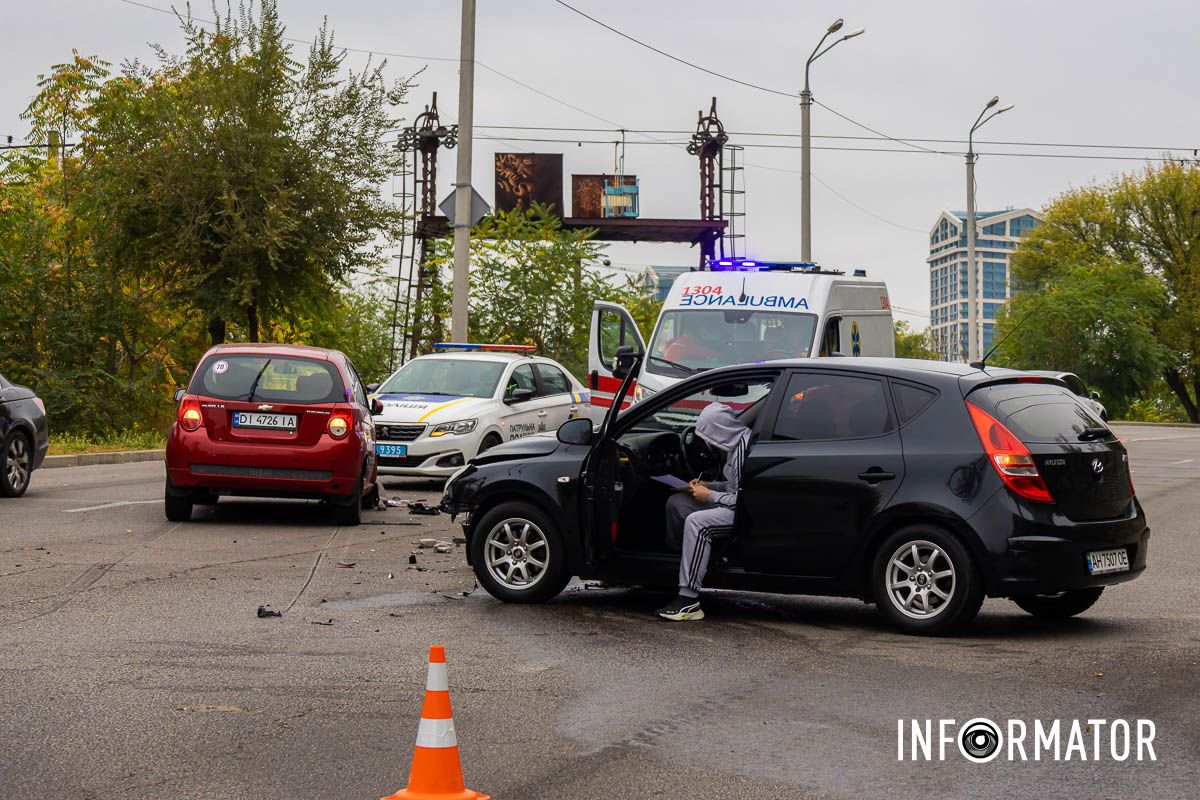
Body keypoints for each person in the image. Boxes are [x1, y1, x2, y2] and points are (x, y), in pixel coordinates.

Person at [657, 401, 751, 621]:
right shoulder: (735, 444)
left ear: (719, 431)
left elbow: (743, 501)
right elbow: (732, 487)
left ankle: (688, 600)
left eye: (709, 436)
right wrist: (709, 485)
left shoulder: (742, 452)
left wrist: (709, 496)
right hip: (730, 501)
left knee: (697, 523)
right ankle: (679, 562)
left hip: (742, 513)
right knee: (678, 503)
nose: (708, 443)